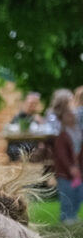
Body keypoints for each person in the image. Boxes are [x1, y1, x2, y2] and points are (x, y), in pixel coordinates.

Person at [48, 89, 81, 224]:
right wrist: (70, 167)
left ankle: (72, 214)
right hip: (65, 170)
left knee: (78, 193)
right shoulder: (59, 128)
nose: (73, 117)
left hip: (78, 167)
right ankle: (66, 217)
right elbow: (61, 153)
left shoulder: (76, 129)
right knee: (67, 192)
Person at [6, 91, 48, 164]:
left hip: (32, 146)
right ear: (26, 103)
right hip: (20, 145)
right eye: (30, 103)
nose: (31, 105)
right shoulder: (19, 117)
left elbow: (45, 130)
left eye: (34, 103)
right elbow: (11, 130)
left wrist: (41, 122)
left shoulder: (37, 117)